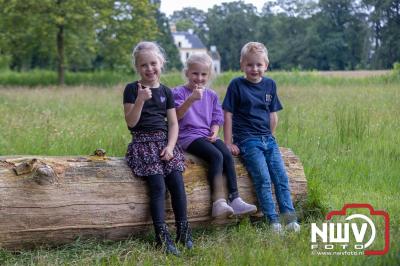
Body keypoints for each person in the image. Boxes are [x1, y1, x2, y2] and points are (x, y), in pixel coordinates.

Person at [222, 42, 300, 233]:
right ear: (242, 65)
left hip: (268, 139)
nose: (254, 69)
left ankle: (290, 219)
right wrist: (228, 142)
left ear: (266, 64)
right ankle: (273, 221)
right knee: (263, 179)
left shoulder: (270, 85)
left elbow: (273, 114)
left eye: (259, 65)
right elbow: (228, 114)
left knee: (281, 178)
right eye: (250, 65)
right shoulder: (236, 85)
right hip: (247, 140)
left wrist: (271, 137)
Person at [123, 41, 192, 256]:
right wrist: (140, 100)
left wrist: (171, 147)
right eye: (144, 65)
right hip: (143, 143)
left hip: (164, 143)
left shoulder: (166, 91)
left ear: (161, 63)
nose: (149, 69)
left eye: (153, 63)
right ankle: (161, 236)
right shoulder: (131, 89)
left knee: (177, 183)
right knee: (158, 187)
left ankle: (183, 231)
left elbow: (173, 123)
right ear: (137, 67)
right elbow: (131, 123)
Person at [173, 53, 257, 218]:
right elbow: (175, 116)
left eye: (203, 74)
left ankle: (235, 198)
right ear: (187, 73)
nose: (199, 77)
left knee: (225, 153)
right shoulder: (178, 92)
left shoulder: (211, 95)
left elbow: (217, 117)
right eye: (195, 73)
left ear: (209, 75)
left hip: (206, 134)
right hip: (187, 136)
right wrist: (191, 100)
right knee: (215, 156)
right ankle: (218, 202)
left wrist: (215, 131)